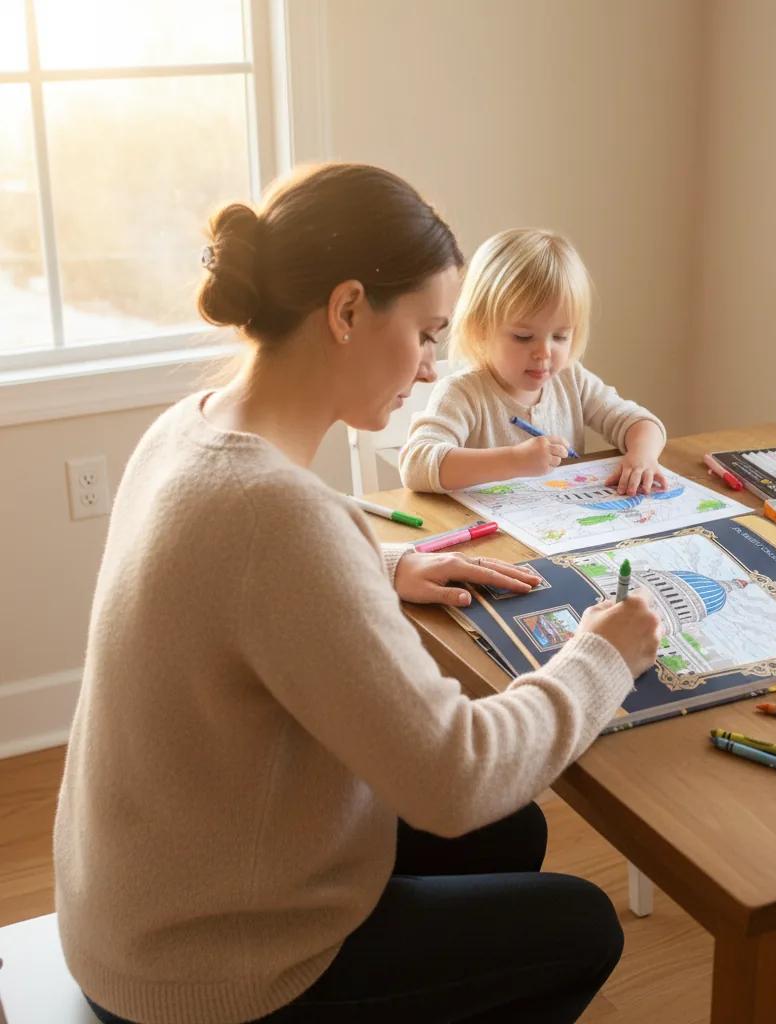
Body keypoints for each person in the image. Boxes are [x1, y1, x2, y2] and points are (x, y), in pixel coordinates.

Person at [53, 163, 662, 1024]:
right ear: (345, 311)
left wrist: (382, 567)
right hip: (205, 974)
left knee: (513, 832)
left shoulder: (189, 428)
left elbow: (240, 573)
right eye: (423, 334)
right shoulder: (278, 516)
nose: (426, 368)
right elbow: (456, 773)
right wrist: (601, 656)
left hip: (139, 905)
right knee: (582, 924)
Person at [399, 228, 667, 497]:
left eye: (560, 336)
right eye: (523, 337)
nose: (544, 353)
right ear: (481, 328)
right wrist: (514, 460)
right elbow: (416, 464)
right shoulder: (463, 394)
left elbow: (641, 422)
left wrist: (643, 456)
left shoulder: (571, 379)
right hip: (487, 533)